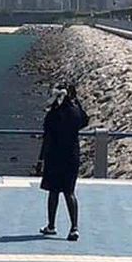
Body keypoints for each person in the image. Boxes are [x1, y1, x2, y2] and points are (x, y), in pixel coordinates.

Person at [37, 83, 89, 241]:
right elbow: (85, 120)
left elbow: (47, 137)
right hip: (71, 157)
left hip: (54, 157)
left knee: (53, 192)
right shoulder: (75, 113)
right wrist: (76, 100)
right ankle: (74, 228)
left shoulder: (54, 114)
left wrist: (40, 159)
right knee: (69, 192)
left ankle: (51, 225)